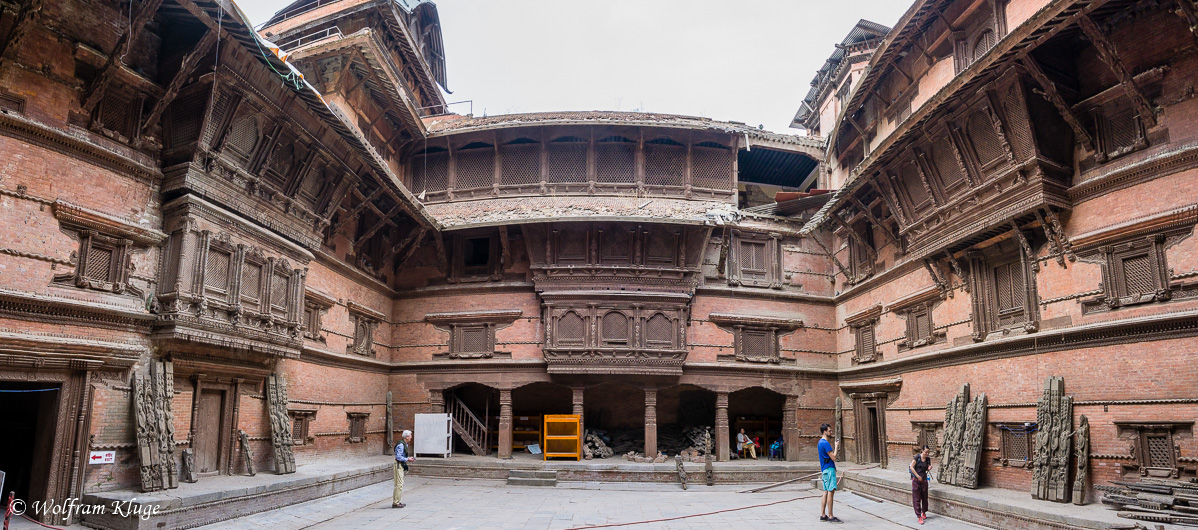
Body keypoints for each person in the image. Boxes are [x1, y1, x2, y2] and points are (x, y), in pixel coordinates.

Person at [818, 423, 842, 524]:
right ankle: (831, 516)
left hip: (824, 469)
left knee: (825, 492)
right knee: (831, 492)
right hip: (829, 469)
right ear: (825, 432)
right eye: (829, 431)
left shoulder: (819, 442)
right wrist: (836, 446)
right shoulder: (826, 443)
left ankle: (823, 515)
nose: (831, 432)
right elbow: (834, 457)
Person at [910, 445, 932, 524]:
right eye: (926, 452)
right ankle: (919, 516)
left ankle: (924, 512)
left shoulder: (928, 459)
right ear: (922, 450)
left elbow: (927, 466)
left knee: (925, 496)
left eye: (928, 452)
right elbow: (911, 467)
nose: (927, 454)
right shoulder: (917, 458)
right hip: (916, 480)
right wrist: (917, 476)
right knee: (916, 498)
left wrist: (929, 467)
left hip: (924, 479)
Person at [393, 430, 415, 508]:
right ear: (407, 437)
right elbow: (398, 457)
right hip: (398, 465)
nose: (411, 437)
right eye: (410, 435)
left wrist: (407, 458)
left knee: (398, 484)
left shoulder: (404, 444)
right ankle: (396, 502)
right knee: (399, 484)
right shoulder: (401, 445)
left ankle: (396, 501)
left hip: (400, 464)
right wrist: (407, 459)